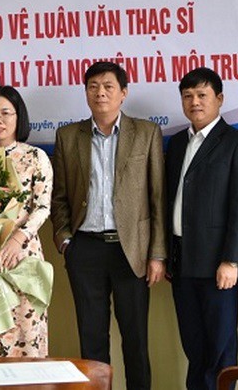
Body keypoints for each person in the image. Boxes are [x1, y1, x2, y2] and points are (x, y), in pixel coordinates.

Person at [50, 60, 166, 390]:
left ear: (123, 93)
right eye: (93, 87)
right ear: (86, 92)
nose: (100, 93)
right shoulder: (68, 136)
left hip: (132, 251)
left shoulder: (146, 133)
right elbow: (59, 196)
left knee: (135, 339)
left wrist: (157, 254)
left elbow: (157, 197)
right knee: (92, 339)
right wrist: (65, 240)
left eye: (108, 87)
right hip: (85, 249)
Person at [165, 68, 238, 390]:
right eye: (187, 96)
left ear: (219, 99)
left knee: (220, 349)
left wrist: (232, 260)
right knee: (194, 347)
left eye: (202, 95)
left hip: (218, 263)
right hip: (181, 262)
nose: (195, 102)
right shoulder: (178, 142)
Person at [0, 85, 52, 357]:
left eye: (6, 113)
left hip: (23, 256)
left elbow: (42, 207)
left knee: (26, 331)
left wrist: (18, 238)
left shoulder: (35, 157)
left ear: (19, 117)